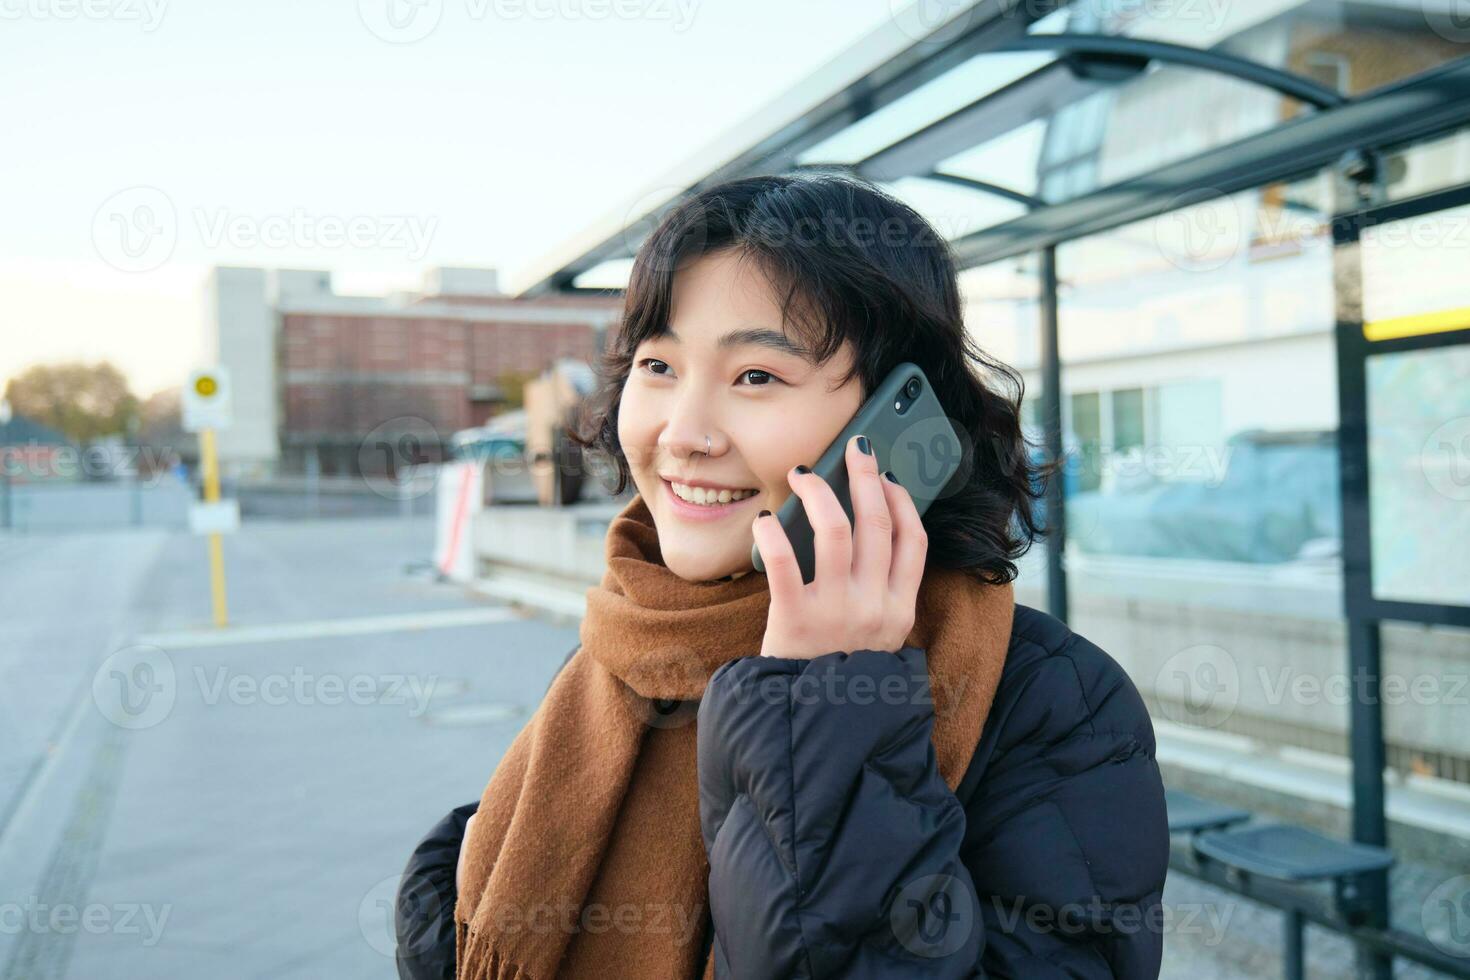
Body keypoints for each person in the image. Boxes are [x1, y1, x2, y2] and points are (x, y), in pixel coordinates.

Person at [395, 170, 1169, 979]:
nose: (684, 433)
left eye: (756, 377)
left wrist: (827, 707)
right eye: (658, 367)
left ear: (891, 418)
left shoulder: (1057, 706)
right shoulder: (630, 637)